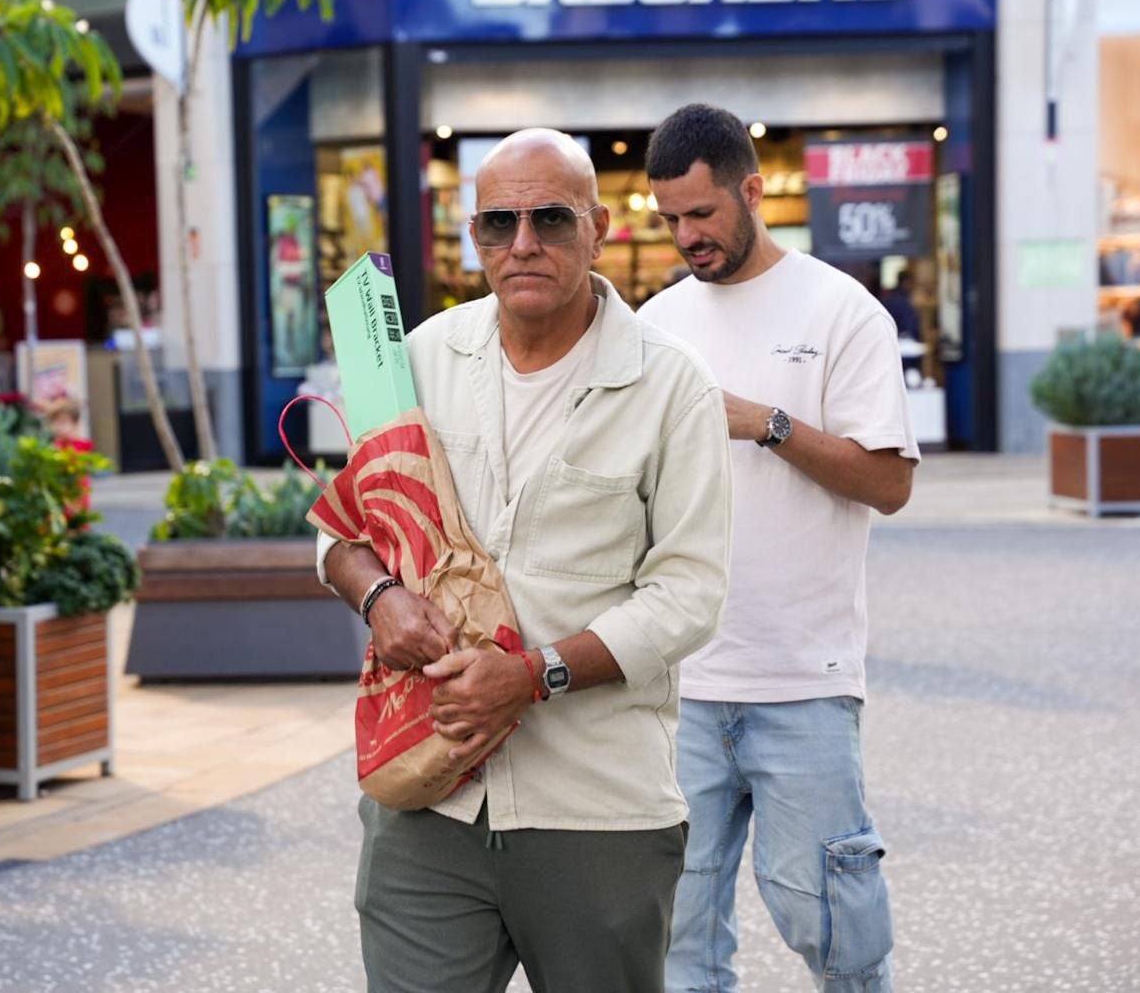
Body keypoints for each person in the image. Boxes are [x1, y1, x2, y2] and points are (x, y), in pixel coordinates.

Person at [320, 128, 734, 993]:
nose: (523, 244)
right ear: (473, 236)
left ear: (599, 227)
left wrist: (534, 674)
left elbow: (689, 593)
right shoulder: (423, 357)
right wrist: (382, 597)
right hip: (426, 796)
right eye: (497, 223)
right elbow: (341, 533)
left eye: (550, 217)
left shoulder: (670, 384)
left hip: (594, 808)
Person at [640, 103, 919, 993]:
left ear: (752, 191)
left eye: (703, 213)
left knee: (835, 929)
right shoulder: (653, 323)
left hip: (805, 678)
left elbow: (889, 482)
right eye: (671, 218)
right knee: (677, 941)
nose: (688, 235)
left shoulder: (842, 311)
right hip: (680, 685)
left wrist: (762, 421)